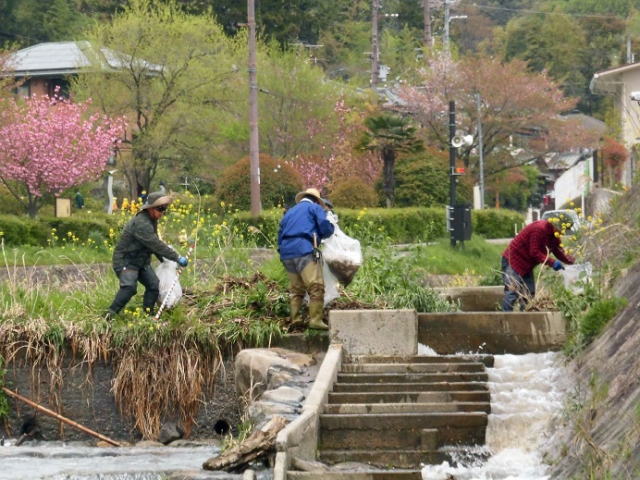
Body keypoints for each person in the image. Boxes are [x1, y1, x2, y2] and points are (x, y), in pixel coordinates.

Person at [106, 192, 189, 319]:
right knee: (129, 287)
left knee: (154, 285)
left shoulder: (152, 220)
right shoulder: (142, 223)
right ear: (150, 208)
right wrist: (176, 257)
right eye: (160, 209)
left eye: (164, 209)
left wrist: (166, 261)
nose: (162, 212)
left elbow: (152, 244)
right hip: (126, 261)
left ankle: (148, 316)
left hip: (141, 262)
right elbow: (155, 244)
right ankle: (110, 315)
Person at [278, 188, 335, 330]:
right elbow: (324, 227)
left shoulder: (289, 212)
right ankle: (315, 320)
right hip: (304, 249)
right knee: (316, 286)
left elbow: (280, 234)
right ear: (316, 200)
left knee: (296, 289)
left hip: (286, 253)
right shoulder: (314, 207)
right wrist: (331, 228)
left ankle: (295, 319)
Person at [501, 218, 575, 311]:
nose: (563, 233)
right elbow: (534, 252)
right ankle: (504, 320)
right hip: (513, 261)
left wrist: (573, 261)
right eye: (562, 229)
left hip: (526, 266)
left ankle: (525, 320)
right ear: (556, 225)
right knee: (512, 292)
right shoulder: (539, 229)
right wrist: (552, 263)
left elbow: (559, 252)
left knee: (529, 294)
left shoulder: (554, 236)